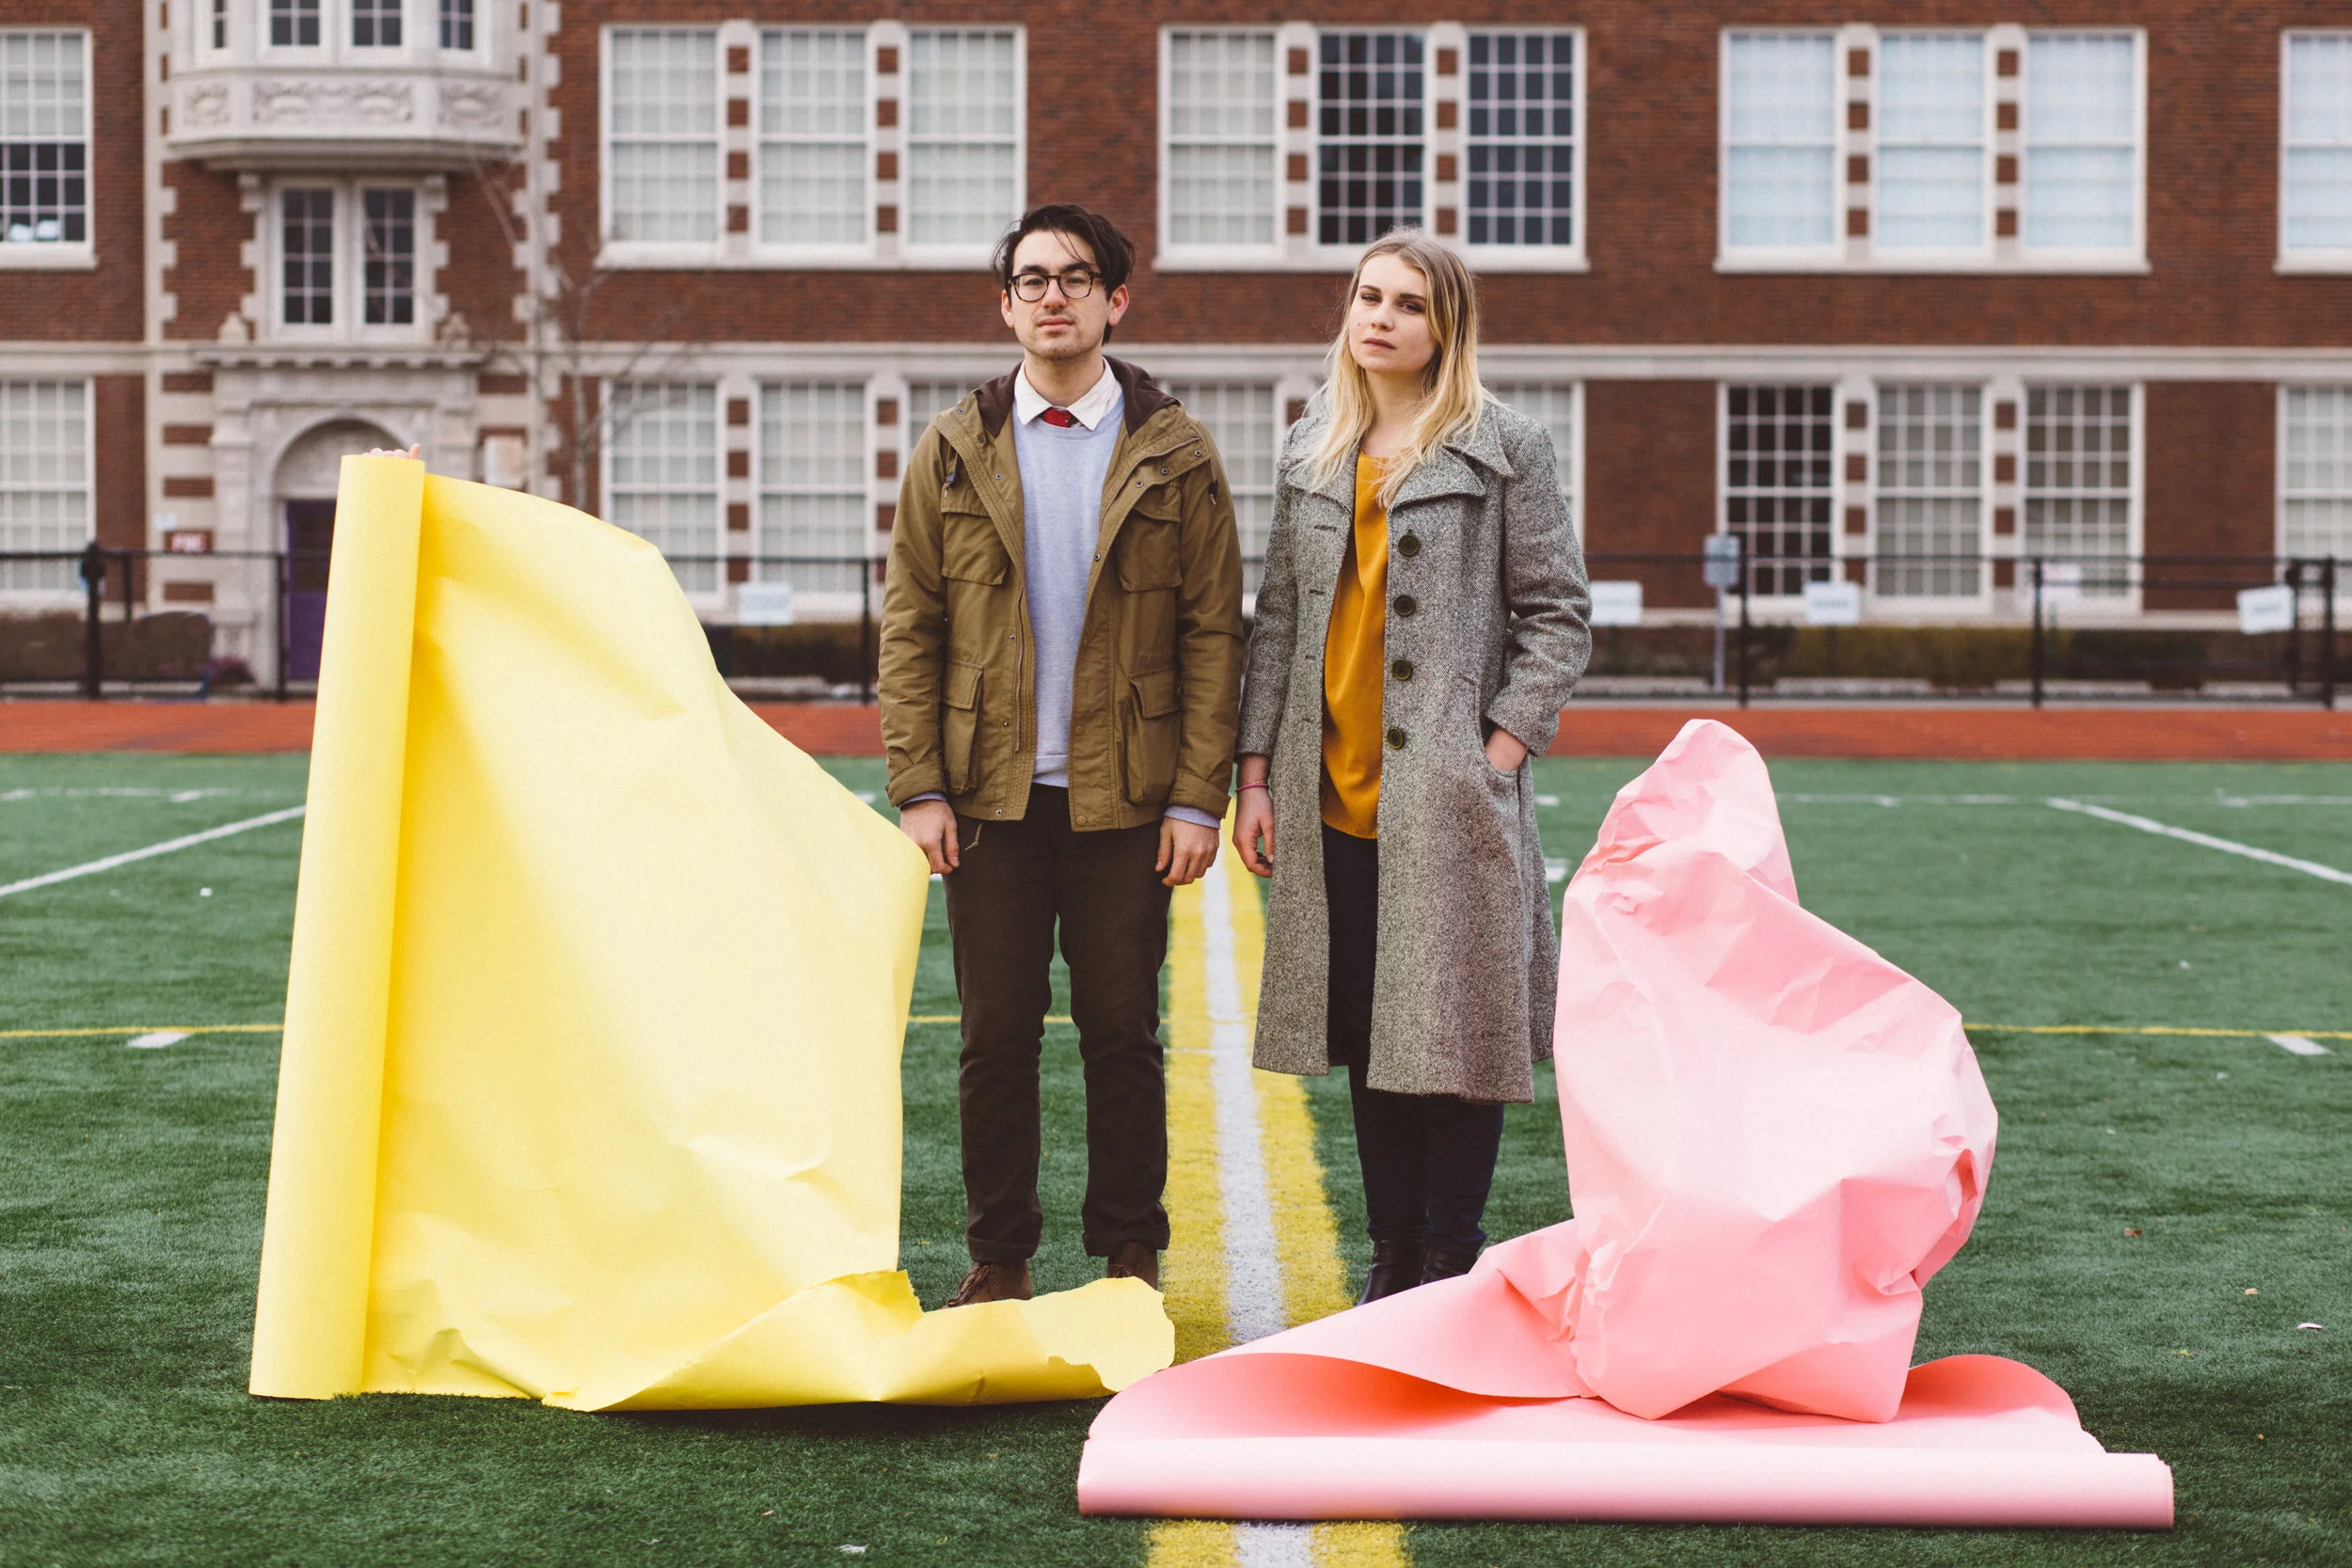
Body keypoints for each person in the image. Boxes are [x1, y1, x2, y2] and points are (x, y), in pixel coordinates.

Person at [879, 205, 1246, 1307]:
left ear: (1113, 301)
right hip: (987, 798)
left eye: (1075, 279)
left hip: (1124, 799)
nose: (1053, 297)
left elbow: (1214, 632)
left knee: (1121, 1032)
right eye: (1031, 279)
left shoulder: (1175, 451)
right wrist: (917, 785)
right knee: (994, 1039)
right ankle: (1000, 1256)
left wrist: (1195, 798)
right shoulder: (951, 447)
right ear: (1005, 305)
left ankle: (1129, 1251)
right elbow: (911, 627)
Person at [1231, 230, 1591, 1304]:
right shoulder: (1312, 446)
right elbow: (1281, 621)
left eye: (1406, 304)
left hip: (1446, 797)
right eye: (1365, 297)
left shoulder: (1502, 444)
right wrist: (1254, 772)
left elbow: (1558, 613)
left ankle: (1449, 1256)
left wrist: (1501, 744)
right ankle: (1391, 1262)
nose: (1378, 317)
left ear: (1446, 329)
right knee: (1371, 1032)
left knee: (1455, 1032)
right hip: (1327, 791)